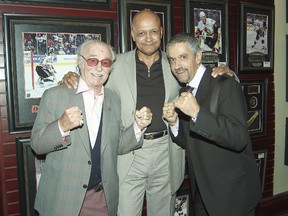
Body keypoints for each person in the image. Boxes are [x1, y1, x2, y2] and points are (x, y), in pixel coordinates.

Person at [60, 10, 234, 216]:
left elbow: (205, 78)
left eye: (153, 31)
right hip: (129, 153)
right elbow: (92, 77)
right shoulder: (115, 66)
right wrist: (72, 75)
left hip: (166, 151)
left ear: (161, 32)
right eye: (141, 33)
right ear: (132, 35)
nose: (148, 38)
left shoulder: (175, 63)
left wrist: (228, 73)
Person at [30, 39, 153, 216]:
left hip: (101, 198)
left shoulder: (113, 100)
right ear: (80, 62)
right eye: (92, 60)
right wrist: (61, 126)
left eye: (105, 63)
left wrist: (138, 127)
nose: (99, 67)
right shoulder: (54, 95)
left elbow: (116, 145)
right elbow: (37, 144)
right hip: (62, 199)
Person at [163, 33, 262, 216]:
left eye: (183, 57)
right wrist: (174, 123)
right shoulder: (185, 91)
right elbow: (191, 141)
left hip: (232, 196)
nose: (176, 66)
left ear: (198, 56)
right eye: (172, 60)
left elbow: (239, 138)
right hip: (202, 194)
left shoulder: (225, 83)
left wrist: (197, 113)